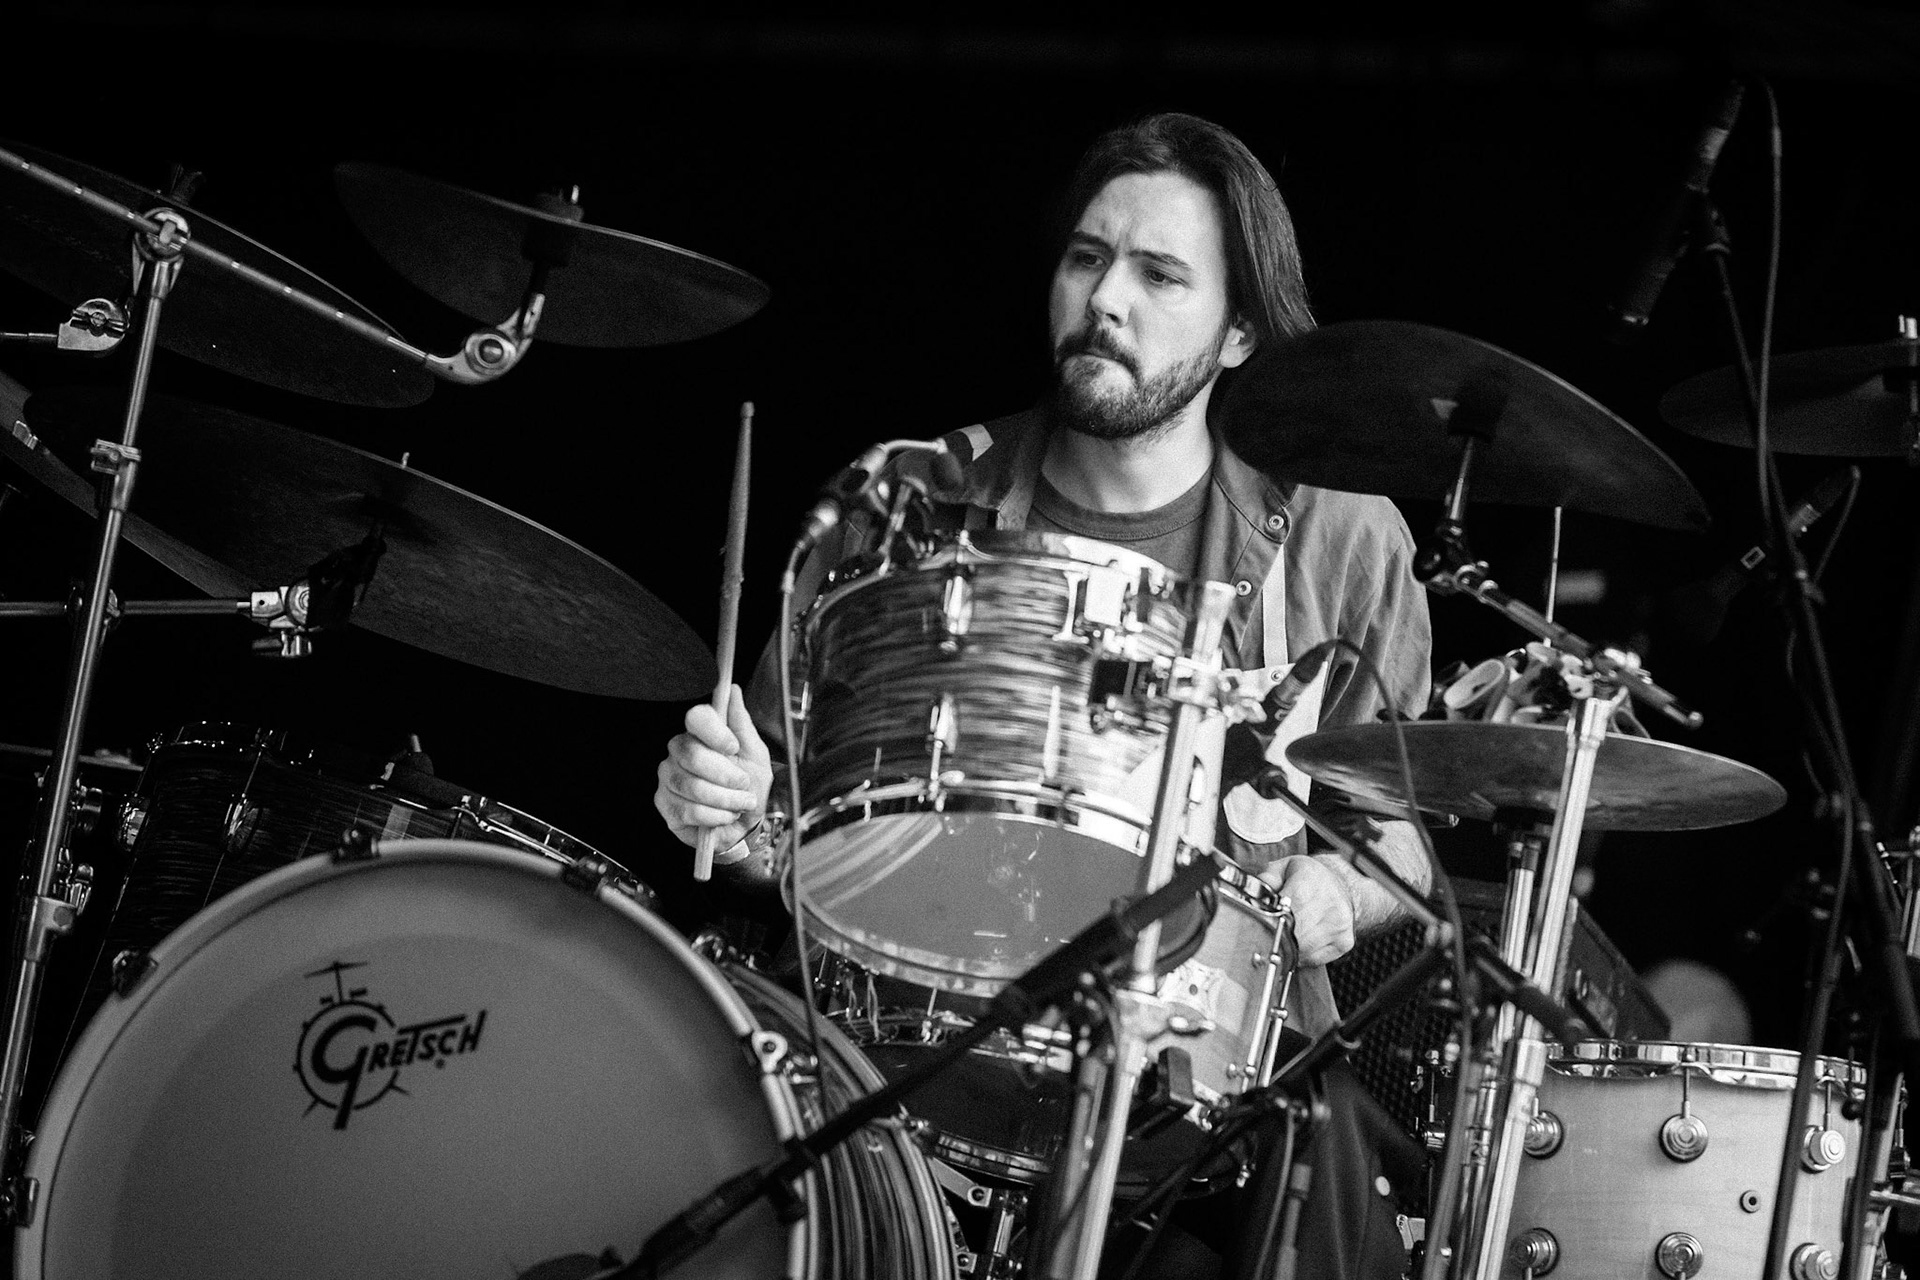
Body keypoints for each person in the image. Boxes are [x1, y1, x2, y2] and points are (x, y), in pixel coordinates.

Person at [655, 111, 1434, 1280]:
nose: (1105, 297)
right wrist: (733, 810)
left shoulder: (1341, 539)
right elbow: (792, 844)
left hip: (1206, 1100)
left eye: (1160, 274)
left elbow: (1409, 853)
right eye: (1087, 257)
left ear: (1237, 335)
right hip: (902, 1057)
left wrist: (1337, 884)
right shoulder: (911, 496)